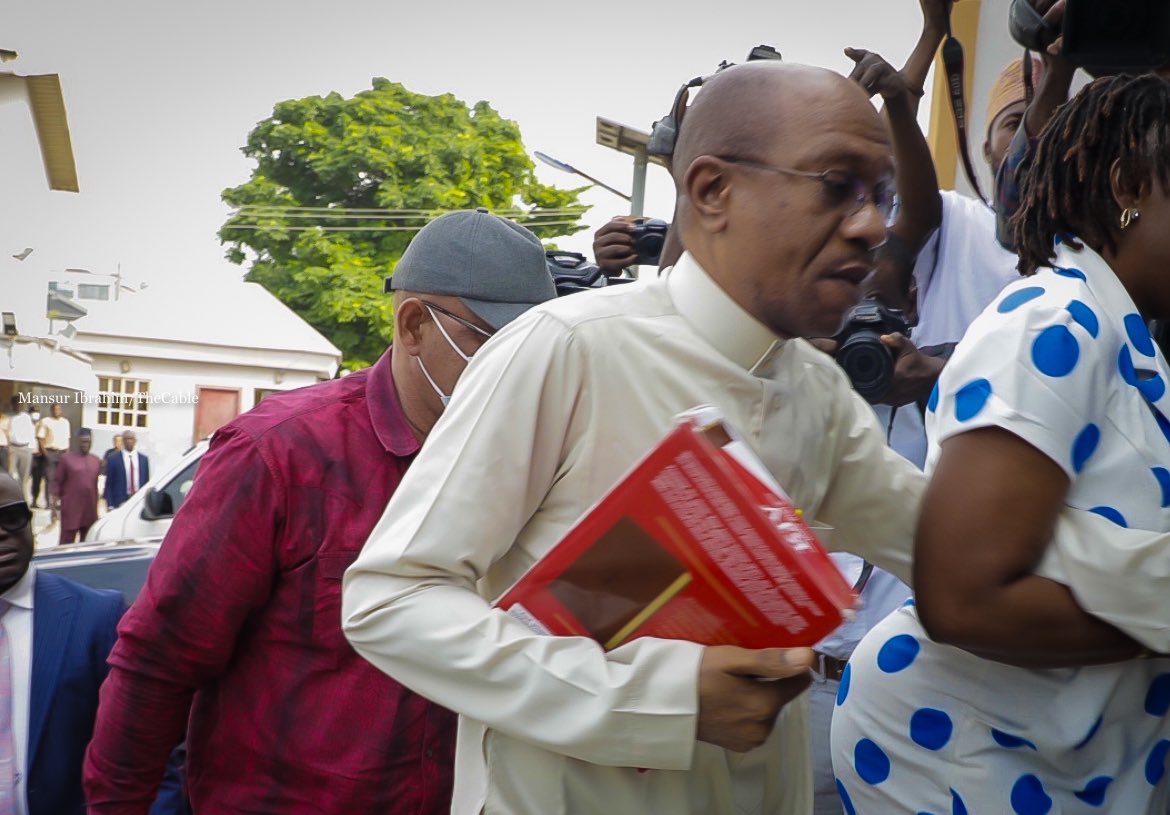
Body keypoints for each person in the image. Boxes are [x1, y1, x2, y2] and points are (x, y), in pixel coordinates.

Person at [342, 62, 928, 815]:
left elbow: (953, 546)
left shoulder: (818, 397)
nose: (873, 224)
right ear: (712, 191)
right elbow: (390, 598)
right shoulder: (567, 347)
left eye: (883, 195)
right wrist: (658, 702)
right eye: (836, 184)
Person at [84, 209, 559, 813]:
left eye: (533, 347)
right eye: (494, 343)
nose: (520, 369)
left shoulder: (528, 461)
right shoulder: (281, 453)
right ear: (414, 325)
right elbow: (158, 660)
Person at [832, 74, 1170, 813]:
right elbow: (965, 595)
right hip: (964, 752)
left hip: (1065, 756)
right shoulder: (1055, 320)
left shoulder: (1129, 340)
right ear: (1127, 185)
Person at [52, 428, 101, 544]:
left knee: (87, 543)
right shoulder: (66, 459)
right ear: (78, 442)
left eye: (88, 441)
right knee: (66, 543)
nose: (86, 444)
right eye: (83, 441)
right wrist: (54, 504)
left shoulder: (96, 460)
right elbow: (57, 482)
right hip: (71, 508)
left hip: (89, 509)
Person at [35, 403, 69, 515]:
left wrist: (67, 455)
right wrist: (45, 454)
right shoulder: (46, 421)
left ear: (61, 410)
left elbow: (67, 440)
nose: (56, 411)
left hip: (62, 453)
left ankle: (58, 502)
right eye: (54, 409)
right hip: (50, 452)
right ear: (51, 410)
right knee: (50, 479)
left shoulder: (65, 422)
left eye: (58, 409)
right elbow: (40, 438)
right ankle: (49, 503)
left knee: (62, 479)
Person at [103, 429, 148, 510]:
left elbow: (146, 482)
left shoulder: (143, 460)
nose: (129, 441)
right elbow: (109, 484)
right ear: (123, 441)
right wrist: (110, 505)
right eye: (126, 439)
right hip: (119, 501)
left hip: (138, 501)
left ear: (135, 441)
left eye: (131, 439)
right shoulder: (113, 459)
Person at [5, 402, 35, 503]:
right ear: (12, 405)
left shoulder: (26, 417)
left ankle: (24, 500)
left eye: (18, 404)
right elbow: (7, 433)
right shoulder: (9, 417)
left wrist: (32, 447)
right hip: (13, 448)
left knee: (24, 477)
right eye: (15, 404)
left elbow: (31, 432)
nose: (17, 406)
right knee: (11, 474)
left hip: (25, 448)